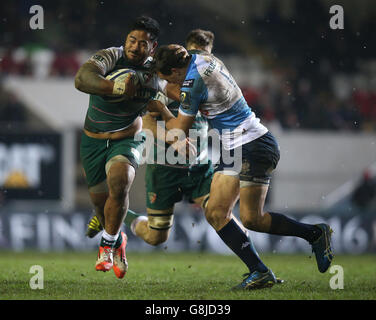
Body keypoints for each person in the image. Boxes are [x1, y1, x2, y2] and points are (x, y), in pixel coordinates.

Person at [85, 29, 283, 285]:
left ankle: (258, 269)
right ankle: (116, 216)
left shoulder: (206, 81)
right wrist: (172, 138)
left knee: (220, 212)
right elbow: (145, 122)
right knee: (157, 237)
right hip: (164, 168)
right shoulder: (160, 86)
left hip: (198, 165)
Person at [151, 44, 334, 290]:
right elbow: (188, 93)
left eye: (166, 77)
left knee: (252, 219)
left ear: (175, 71)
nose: (167, 81)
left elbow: (178, 130)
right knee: (216, 211)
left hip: (253, 145)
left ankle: (315, 234)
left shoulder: (192, 84)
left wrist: (158, 107)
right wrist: (161, 85)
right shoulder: (202, 58)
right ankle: (259, 271)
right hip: (235, 147)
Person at [75, 16, 163, 279]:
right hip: (93, 140)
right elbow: (81, 79)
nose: (135, 47)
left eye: (143, 43)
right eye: (132, 40)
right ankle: (120, 240)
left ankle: (107, 245)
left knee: (120, 179)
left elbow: (163, 91)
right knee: (102, 204)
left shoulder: (153, 73)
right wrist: (114, 86)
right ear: (125, 40)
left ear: (153, 48)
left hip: (127, 138)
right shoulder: (110, 56)